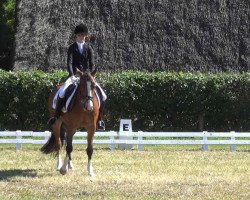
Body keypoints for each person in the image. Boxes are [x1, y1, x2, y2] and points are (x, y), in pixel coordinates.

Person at [47, 24, 106, 130]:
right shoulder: (72, 47)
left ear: (85, 36)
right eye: (79, 35)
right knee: (61, 92)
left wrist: (91, 74)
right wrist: (72, 74)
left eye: (83, 35)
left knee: (103, 95)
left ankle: (100, 120)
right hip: (75, 75)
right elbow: (69, 62)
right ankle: (56, 116)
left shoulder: (89, 47)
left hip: (87, 76)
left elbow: (91, 63)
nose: (81, 37)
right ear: (76, 36)